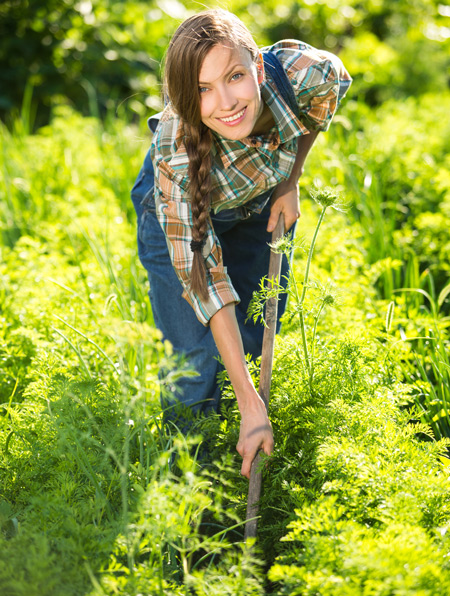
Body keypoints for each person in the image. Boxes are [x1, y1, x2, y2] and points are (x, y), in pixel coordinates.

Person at [130, 9, 351, 478]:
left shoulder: (302, 74)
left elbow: (324, 96)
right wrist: (252, 404)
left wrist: (290, 180)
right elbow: (205, 281)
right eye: (202, 90)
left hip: (257, 204)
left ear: (257, 63)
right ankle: (188, 489)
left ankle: (240, 463)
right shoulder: (178, 149)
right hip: (184, 219)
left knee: (254, 333)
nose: (226, 102)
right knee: (196, 363)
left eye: (234, 76)